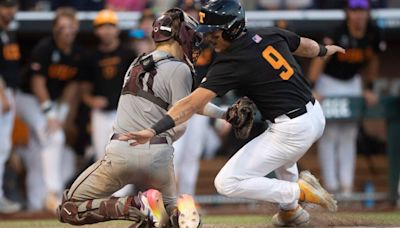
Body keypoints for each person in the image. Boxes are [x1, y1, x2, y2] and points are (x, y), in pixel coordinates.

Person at [122, 0, 346, 226]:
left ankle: (298, 191)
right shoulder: (268, 34)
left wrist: (153, 129)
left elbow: (190, 104)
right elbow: (304, 45)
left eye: (214, 33)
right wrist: (325, 50)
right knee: (284, 162)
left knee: (227, 182)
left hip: (291, 129)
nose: (208, 38)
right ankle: (291, 213)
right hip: (314, 115)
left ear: (232, 28)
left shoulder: (232, 61)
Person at [57, 8, 203, 228]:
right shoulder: (180, 69)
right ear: (180, 36)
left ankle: (136, 204)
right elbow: (185, 115)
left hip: (122, 149)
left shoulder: (135, 62)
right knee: (162, 219)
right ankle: (178, 213)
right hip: (160, 156)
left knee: (69, 208)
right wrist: (224, 114)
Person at [308, 0, 385, 196]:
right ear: (348, 13)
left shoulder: (373, 32)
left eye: (362, 11)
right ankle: (332, 186)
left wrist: (369, 88)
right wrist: (313, 87)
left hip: (352, 82)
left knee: (349, 133)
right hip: (329, 81)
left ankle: (346, 186)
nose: (358, 15)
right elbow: (321, 57)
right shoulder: (337, 30)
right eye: (354, 11)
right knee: (329, 132)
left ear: (368, 13)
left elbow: (373, 60)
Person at [16, 7, 82, 211]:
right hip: (27, 98)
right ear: (54, 29)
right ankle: (54, 194)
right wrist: (50, 115)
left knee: (39, 151)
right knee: (54, 137)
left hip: (51, 102)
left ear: (76, 27)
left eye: (70, 27)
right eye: (62, 27)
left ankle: (36, 204)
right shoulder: (45, 48)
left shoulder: (76, 53)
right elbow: (37, 84)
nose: (66, 31)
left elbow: (72, 87)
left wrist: (61, 115)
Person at [0, 0, 22, 213]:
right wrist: (3, 95)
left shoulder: (8, 32)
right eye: (5, 6)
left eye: (12, 6)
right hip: (1, 92)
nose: (9, 10)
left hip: (8, 92)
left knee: (4, 147)